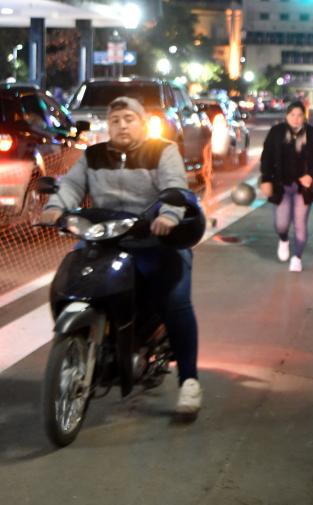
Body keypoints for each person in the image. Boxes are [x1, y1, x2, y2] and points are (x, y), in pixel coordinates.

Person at [40, 96, 203, 417]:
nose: (122, 125)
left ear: (141, 122)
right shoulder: (94, 155)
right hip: (104, 239)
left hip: (155, 241)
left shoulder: (163, 150)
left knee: (175, 302)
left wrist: (168, 215)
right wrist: (55, 207)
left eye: (129, 118)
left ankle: (189, 382)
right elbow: (71, 186)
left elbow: (175, 186)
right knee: (72, 281)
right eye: (116, 120)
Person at [260, 99, 313, 272]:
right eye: (293, 115)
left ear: (304, 117)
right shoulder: (276, 132)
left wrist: (311, 175)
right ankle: (283, 240)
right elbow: (266, 157)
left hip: (302, 189)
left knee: (300, 224)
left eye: (300, 115)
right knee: (280, 224)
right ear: (287, 116)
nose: (296, 119)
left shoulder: (311, 134)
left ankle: (297, 257)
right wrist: (266, 179)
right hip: (281, 186)